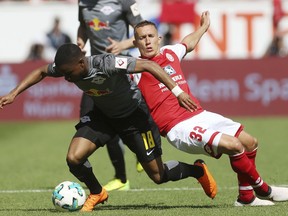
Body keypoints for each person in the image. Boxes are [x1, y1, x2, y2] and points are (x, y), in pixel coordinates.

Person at [0, 43, 217, 212]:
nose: (65, 78)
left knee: (158, 176)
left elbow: (150, 65)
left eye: (68, 74)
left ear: (82, 64)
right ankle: (97, 192)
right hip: (103, 117)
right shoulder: (67, 66)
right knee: (73, 158)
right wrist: (14, 93)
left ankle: (196, 170)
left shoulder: (107, 63)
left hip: (135, 119)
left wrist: (178, 93)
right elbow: (41, 72)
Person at [132, 11, 288, 207]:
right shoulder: (135, 70)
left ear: (159, 38)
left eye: (150, 36)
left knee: (249, 142)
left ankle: (246, 198)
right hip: (178, 128)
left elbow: (188, 43)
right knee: (233, 145)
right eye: (142, 38)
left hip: (199, 114)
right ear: (135, 42)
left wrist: (203, 28)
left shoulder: (170, 52)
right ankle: (265, 190)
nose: (147, 41)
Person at [77, 0, 144, 191]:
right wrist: (81, 40)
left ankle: (141, 153)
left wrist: (122, 44)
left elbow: (144, 30)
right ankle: (121, 179)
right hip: (94, 68)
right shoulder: (82, 3)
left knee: (127, 115)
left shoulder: (124, 2)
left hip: (119, 68)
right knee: (88, 117)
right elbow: (83, 25)